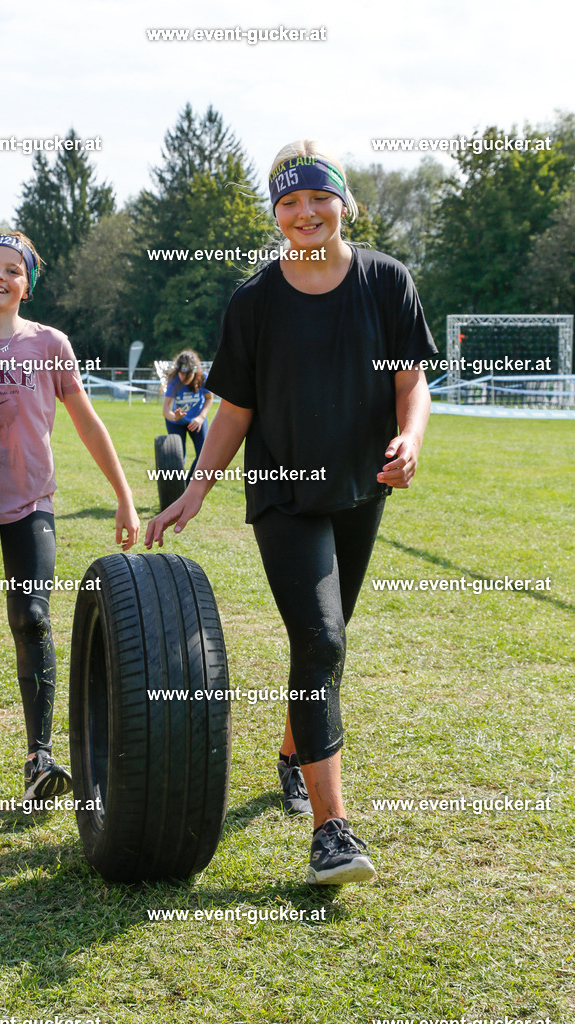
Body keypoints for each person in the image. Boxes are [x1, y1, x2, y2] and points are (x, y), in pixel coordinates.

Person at [146, 141, 437, 885]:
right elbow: (235, 407)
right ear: (274, 214)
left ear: (343, 203)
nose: (303, 214)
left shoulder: (386, 282)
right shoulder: (253, 301)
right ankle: (331, 832)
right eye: (287, 203)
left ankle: (291, 753)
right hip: (281, 490)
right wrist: (198, 487)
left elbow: (412, 380)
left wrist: (409, 436)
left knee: (322, 649)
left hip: (359, 488)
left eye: (316, 198)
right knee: (322, 637)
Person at [0, 231, 140, 802]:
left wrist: (124, 497)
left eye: (13, 270)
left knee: (31, 616)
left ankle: (39, 757)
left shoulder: (50, 344)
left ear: (26, 286)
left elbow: (88, 422)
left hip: (33, 502)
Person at [162, 350, 213, 479]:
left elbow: (209, 398)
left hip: (197, 421)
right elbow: (166, 409)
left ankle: (188, 484)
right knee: (178, 458)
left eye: (187, 374)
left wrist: (201, 417)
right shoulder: (174, 381)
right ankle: (177, 487)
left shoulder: (203, 378)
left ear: (194, 371)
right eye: (181, 373)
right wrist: (174, 416)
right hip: (176, 422)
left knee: (203, 456)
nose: (183, 377)